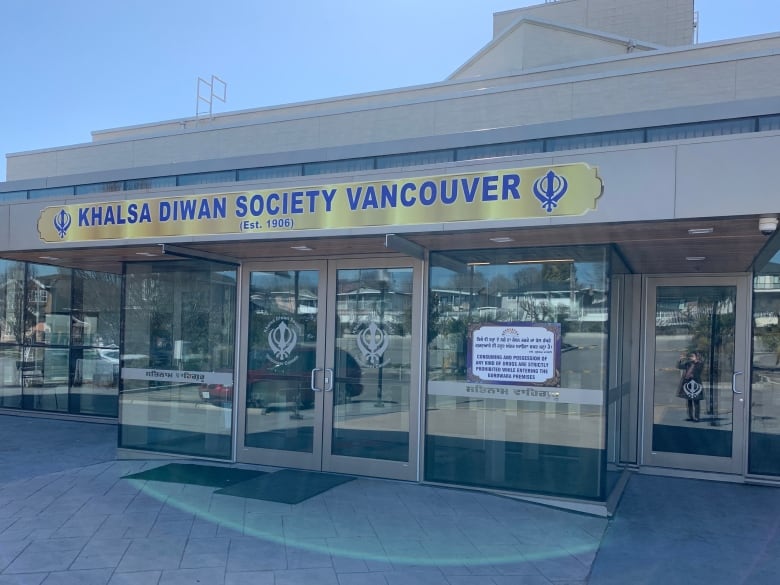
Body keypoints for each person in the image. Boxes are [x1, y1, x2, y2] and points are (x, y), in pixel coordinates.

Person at [677, 351, 705, 422]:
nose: (691, 357)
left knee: (696, 402)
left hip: (696, 384)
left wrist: (690, 374)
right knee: (689, 401)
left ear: (697, 357)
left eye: (692, 356)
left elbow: (697, 372)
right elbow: (679, 366)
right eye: (691, 356)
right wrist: (680, 360)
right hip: (688, 383)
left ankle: (697, 417)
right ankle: (690, 416)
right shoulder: (688, 363)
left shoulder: (700, 364)